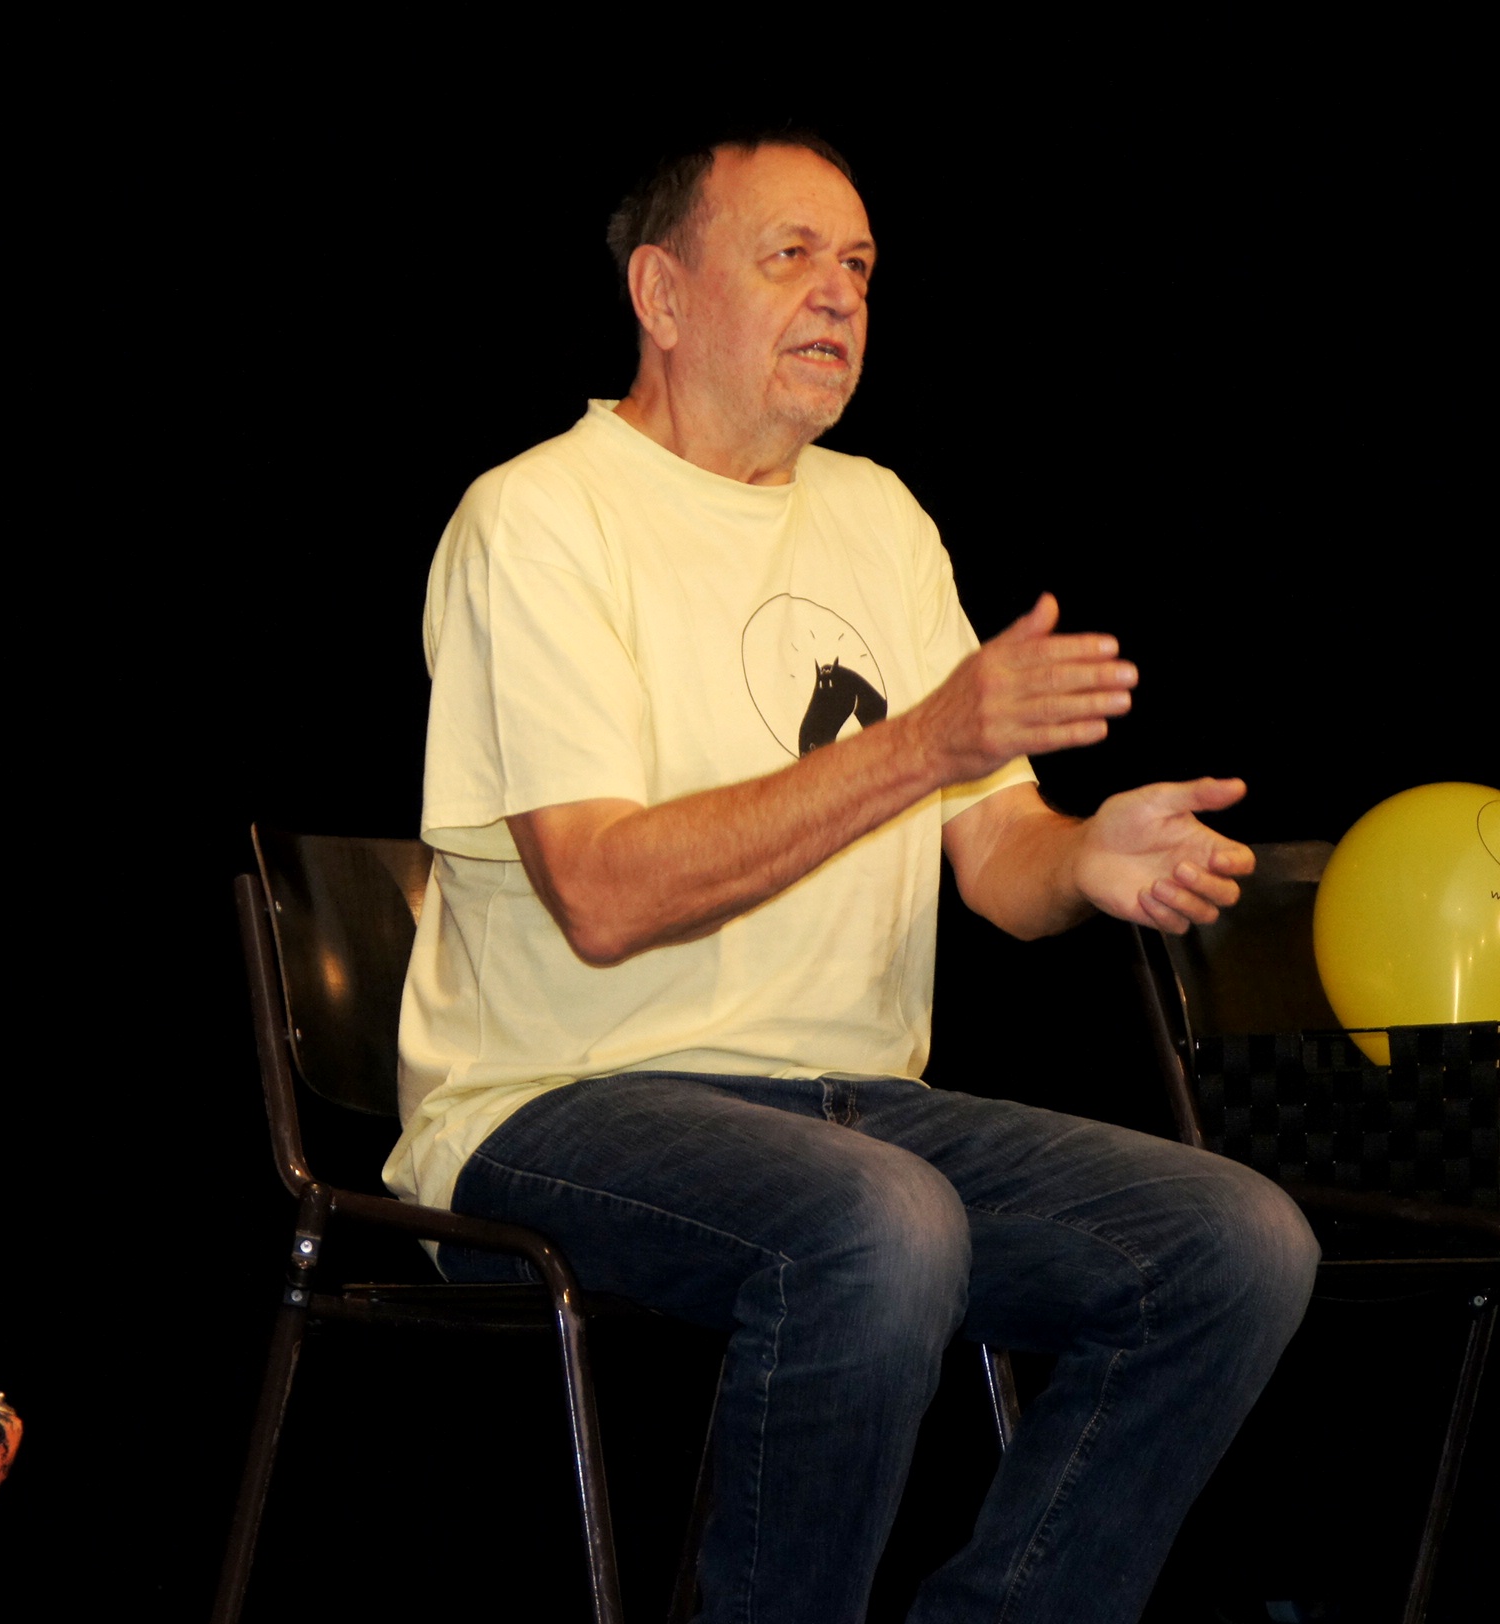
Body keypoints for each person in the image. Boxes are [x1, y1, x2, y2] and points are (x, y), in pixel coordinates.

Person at [389, 133, 1319, 1623]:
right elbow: (606, 898)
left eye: (862, 267)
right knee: (883, 1227)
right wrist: (924, 744)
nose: (840, 294)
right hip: (559, 1101)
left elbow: (998, 859)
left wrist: (1089, 856)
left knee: (1233, 1247)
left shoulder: (878, 517)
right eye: (791, 256)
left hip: (852, 1113)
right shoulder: (541, 518)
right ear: (662, 294)